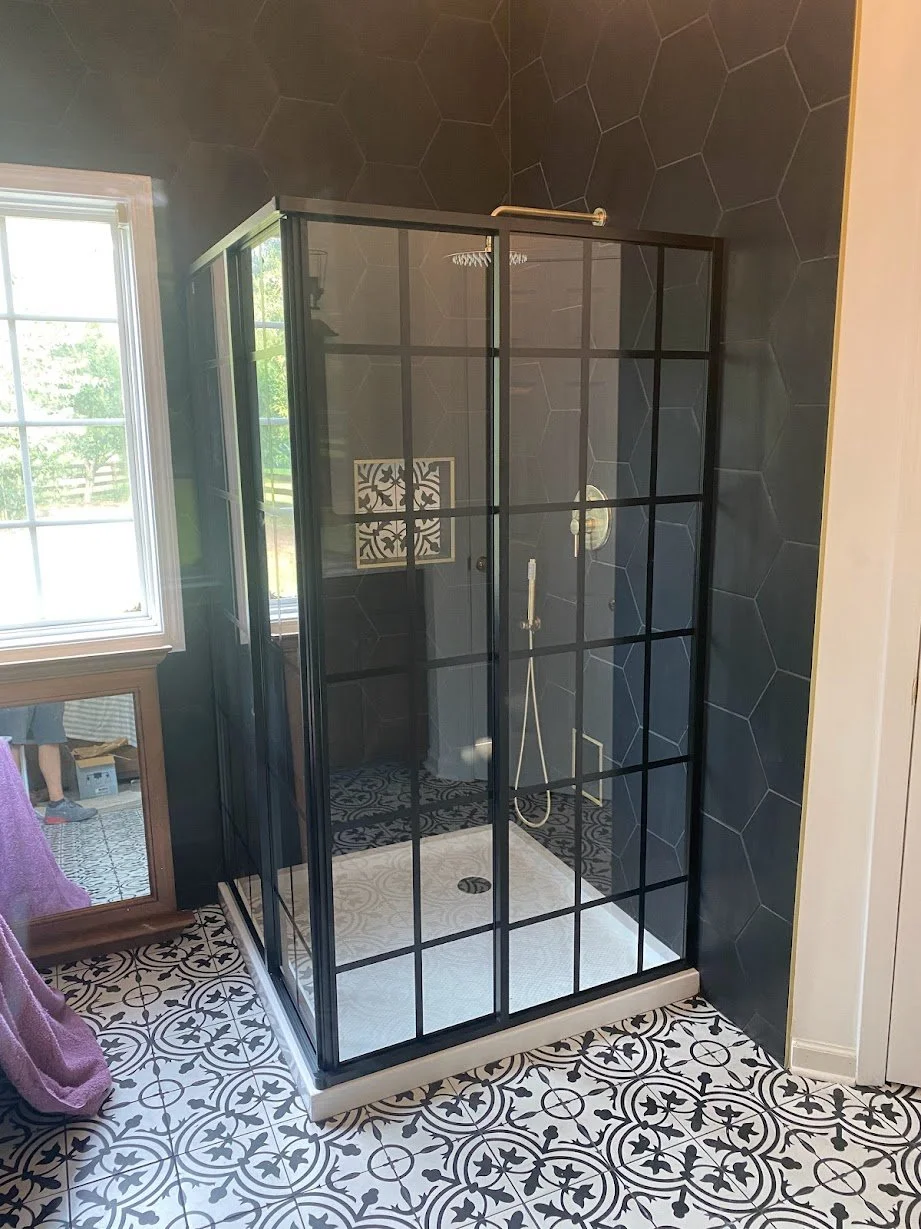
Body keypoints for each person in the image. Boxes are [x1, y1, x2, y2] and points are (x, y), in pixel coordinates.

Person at [0, 704, 98, 825]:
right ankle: (12, 811)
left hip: (40, 687)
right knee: (11, 736)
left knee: (50, 731)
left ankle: (58, 804)